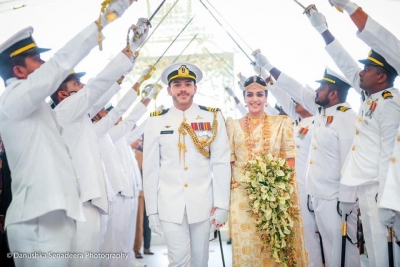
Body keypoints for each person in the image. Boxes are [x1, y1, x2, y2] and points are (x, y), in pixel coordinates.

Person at [0, 1, 134, 265]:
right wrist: (103, 21)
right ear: (18, 71)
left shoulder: (39, 110)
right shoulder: (14, 100)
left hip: (54, 215)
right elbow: (61, 64)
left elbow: (92, 94)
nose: (44, 64)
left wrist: (127, 58)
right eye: (37, 59)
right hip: (38, 219)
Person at [306, 7, 400, 266]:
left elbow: (391, 154)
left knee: (386, 257)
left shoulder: (391, 103)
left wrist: (390, 199)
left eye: (367, 69)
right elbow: (345, 63)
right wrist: (323, 31)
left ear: (381, 77)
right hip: (367, 190)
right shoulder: (371, 98)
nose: (360, 72)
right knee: (373, 252)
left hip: (382, 192)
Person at [253, 50, 360, 266]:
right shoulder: (322, 114)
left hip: (337, 199)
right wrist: (266, 68)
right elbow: (293, 90)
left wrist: (347, 198)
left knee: (344, 252)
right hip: (318, 195)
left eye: (322, 88)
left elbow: (351, 160)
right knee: (329, 249)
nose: (316, 91)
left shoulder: (347, 118)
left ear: (333, 94)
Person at [143, 62, 231, 267]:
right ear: (169, 90)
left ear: (195, 88)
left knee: (200, 261)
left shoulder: (212, 116)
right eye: (177, 84)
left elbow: (220, 163)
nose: (183, 89)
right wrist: (152, 211)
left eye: (187, 84)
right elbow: (150, 170)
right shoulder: (156, 120)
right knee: (178, 262)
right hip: (169, 205)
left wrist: (222, 205)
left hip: (203, 203)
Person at [225, 75, 307, 266]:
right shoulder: (232, 126)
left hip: (274, 197)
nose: (255, 99)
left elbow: (289, 159)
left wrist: (280, 191)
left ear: (266, 97)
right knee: (247, 248)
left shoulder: (281, 123)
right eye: (250, 95)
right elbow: (229, 163)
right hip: (242, 197)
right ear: (244, 98)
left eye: (259, 94)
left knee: (273, 247)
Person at [251, 64, 322, 266]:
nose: (295, 102)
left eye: (300, 99)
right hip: (294, 188)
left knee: (310, 235)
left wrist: (268, 69)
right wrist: (264, 75)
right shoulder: (299, 122)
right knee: (300, 234)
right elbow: (282, 98)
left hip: (309, 189)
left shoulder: (318, 122)